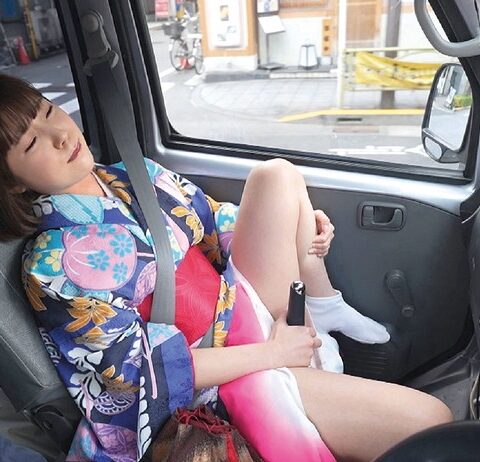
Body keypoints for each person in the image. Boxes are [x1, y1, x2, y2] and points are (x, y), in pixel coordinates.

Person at [0, 74, 453, 462]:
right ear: (13, 183)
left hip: (236, 310)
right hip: (214, 384)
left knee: (276, 177)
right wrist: (272, 353)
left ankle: (323, 302)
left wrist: (300, 231)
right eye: (33, 142)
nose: (60, 135)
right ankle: (304, 362)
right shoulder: (54, 264)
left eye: (48, 111)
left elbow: (216, 225)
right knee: (433, 422)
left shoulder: (131, 176)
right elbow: (139, 376)